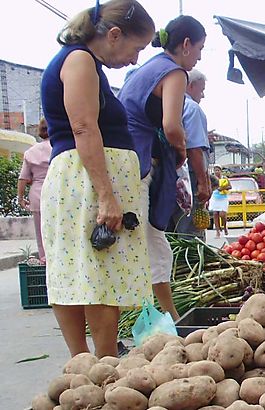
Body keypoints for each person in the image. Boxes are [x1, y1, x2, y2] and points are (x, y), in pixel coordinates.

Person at [39, 0, 155, 358]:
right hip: (86, 184)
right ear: (115, 35)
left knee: (80, 274)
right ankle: (99, 364)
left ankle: (87, 367)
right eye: (136, 49)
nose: (135, 60)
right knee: (98, 276)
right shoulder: (80, 60)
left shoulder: (82, 62)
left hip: (82, 180)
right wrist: (107, 195)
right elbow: (84, 127)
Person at [118, 14, 206, 321]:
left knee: (151, 242)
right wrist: (180, 148)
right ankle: (162, 317)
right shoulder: (175, 72)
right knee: (142, 244)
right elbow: (171, 125)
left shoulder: (149, 67)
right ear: (185, 44)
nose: (199, 56)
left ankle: (167, 317)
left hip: (125, 160)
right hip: (135, 163)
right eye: (199, 48)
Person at [168, 68, 212, 238]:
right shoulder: (192, 108)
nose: (202, 96)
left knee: (171, 231)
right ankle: (190, 264)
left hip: (171, 177)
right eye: (201, 90)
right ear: (191, 86)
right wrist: (203, 182)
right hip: (190, 180)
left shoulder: (169, 105)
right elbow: (194, 149)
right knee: (190, 233)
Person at [17, 118, 53, 263]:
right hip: (57, 193)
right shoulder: (60, 148)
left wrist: (20, 198)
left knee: (41, 233)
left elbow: (23, 178)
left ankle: (44, 261)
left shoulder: (30, 152)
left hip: (37, 195)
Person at [209, 165, 230, 238]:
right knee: (215, 214)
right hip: (215, 197)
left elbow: (230, 186)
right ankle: (217, 232)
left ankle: (224, 227)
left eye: (218, 170)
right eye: (215, 170)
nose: (217, 172)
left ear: (221, 171)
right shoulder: (212, 178)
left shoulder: (224, 178)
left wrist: (223, 188)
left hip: (223, 198)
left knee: (222, 215)